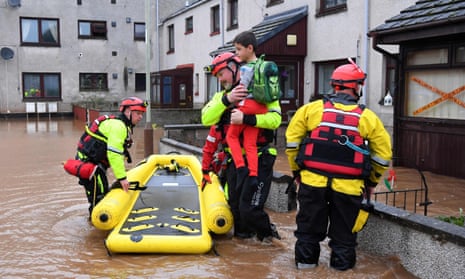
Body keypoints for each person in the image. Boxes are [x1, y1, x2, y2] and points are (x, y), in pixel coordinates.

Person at [285, 59, 392, 270]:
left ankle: (305, 272)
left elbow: (292, 144)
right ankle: (340, 273)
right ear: (355, 87)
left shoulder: (310, 110)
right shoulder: (368, 117)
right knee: (344, 238)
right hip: (349, 188)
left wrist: (297, 172)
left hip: (312, 183)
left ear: (334, 85)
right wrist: (371, 181)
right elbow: (383, 155)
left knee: (308, 234)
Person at [202, 48, 282, 243]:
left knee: (251, 209)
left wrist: (248, 118)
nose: (220, 79)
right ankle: (244, 249)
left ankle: (269, 238)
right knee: (236, 210)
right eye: (217, 76)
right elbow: (206, 118)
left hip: (259, 157)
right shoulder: (221, 97)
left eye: (222, 74)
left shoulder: (262, 93)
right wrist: (227, 100)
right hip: (234, 161)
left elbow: (275, 119)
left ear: (235, 68)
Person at [70, 97, 147, 217]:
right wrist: (122, 178)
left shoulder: (121, 125)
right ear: (127, 111)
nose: (140, 117)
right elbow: (114, 154)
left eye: (142, 114)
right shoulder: (119, 126)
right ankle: (95, 230)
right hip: (90, 166)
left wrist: (121, 175)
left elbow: (117, 154)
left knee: (102, 194)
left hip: (94, 164)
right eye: (138, 113)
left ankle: (95, 226)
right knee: (98, 201)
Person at [225, 31, 269, 190]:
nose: (237, 53)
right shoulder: (263, 66)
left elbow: (242, 89)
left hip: (248, 105)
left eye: (238, 49)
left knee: (231, 136)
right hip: (261, 108)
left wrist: (233, 101)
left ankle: (241, 168)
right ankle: (253, 175)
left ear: (249, 48)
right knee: (250, 143)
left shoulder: (246, 68)